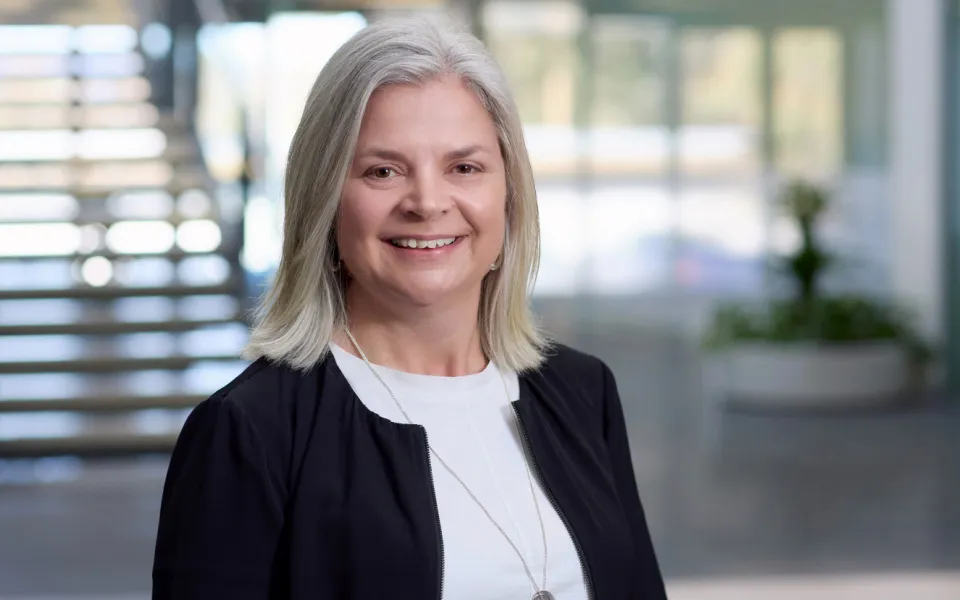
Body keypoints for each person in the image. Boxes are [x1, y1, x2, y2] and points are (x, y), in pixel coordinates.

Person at [152, 16, 666, 600]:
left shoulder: (582, 392)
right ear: (325, 198)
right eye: (383, 171)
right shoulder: (251, 431)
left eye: (464, 167)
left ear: (510, 192)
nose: (426, 202)